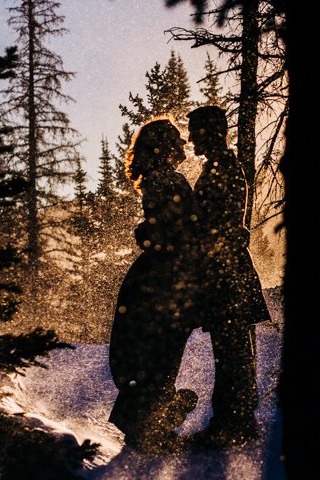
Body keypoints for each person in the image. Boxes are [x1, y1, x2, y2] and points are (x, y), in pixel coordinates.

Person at [108, 119, 199, 453]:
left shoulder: (154, 179)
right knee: (161, 351)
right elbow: (175, 229)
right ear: (163, 144)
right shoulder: (167, 179)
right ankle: (148, 428)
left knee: (153, 350)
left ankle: (146, 422)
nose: (184, 142)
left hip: (155, 275)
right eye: (176, 137)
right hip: (165, 278)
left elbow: (160, 229)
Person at [187, 106, 269, 446]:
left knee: (233, 348)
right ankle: (235, 421)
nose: (190, 138)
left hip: (228, 274)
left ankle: (232, 425)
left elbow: (216, 225)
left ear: (210, 131)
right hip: (227, 271)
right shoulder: (221, 167)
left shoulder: (223, 169)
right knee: (233, 348)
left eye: (195, 130)